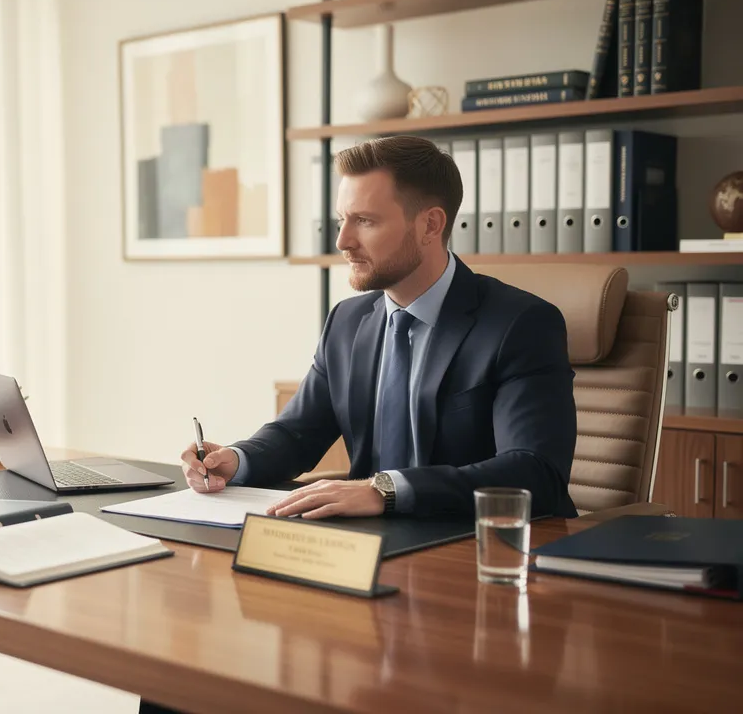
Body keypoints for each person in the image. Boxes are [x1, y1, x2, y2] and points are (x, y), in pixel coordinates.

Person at [182, 135, 578, 521]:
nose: (342, 240)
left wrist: (385, 490)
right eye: (341, 220)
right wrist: (236, 460)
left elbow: (534, 472)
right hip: (370, 548)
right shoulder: (347, 321)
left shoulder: (520, 324)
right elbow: (297, 434)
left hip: (476, 547)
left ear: (430, 225)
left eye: (364, 221)